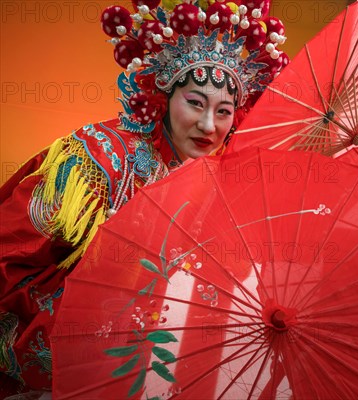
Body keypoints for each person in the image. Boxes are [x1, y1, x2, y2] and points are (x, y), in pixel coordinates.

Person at [0, 0, 288, 394]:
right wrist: (93, 338)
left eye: (223, 111)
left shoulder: (224, 189)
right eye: (195, 103)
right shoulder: (98, 159)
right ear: (164, 94)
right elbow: (9, 261)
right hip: (69, 365)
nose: (208, 125)